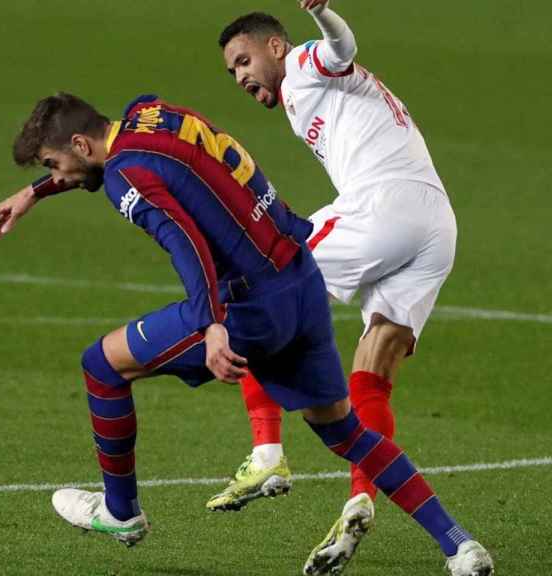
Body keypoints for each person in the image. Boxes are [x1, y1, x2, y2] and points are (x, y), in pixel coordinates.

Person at [0, 93, 492, 576]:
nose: (55, 173)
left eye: (51, 165)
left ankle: (120, 511)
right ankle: (458, 544)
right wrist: (36, 191)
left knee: (103, 364)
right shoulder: (151, 111)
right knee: (344, 432)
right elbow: (128, 169)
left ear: (81, 146)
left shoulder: (123, 176)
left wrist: (213, 324)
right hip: (301, 279)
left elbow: (184, 240)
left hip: (249, 309)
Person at [211, 2, 468, 572]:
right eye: (231, 72)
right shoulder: (304, 92)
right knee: (372, 370)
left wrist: (324, 13)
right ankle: (360, 497)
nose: (241, 77)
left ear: (274, 47)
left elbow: (342, 49)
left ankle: (267, 452)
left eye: (243, 60)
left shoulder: (302, 63)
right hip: (435, 225)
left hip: (383, 205)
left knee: (264, 287)